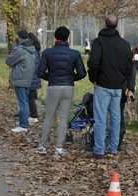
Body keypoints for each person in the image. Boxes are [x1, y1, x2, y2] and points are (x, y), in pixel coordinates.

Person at [86, 15, 132, 159]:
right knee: (115, 118)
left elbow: (93, 62)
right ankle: (113, 148)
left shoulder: (99, 42)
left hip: (103, 84)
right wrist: (121, 80)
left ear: (105, 24)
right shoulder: (124, 44)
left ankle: (99, 150)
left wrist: (93, 78)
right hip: (117, 86)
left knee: (100, 118)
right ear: (117, 25)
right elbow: (129, 66)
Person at [35, 26, 86, 155]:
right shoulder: (75, 53)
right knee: (63, 117)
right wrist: (70, 78)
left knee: (49, 117)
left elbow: (40, 72)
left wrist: (51, 77)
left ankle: (42, 146)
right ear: (68, 37)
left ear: (55, 37)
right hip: (68, 87)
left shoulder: (47, 53)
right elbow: (82, 73)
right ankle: (59, 147)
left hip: (53, 87)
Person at [6, 29, 36, 133]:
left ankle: (23, 125)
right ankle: (25, 123)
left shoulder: (20, 49)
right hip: (28, 78)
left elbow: (8, 60)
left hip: (20, 78)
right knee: (25, 101)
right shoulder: (32, 49)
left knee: (22, 102)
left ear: (20, 37)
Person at [27, 32, 42, 123]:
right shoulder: (37, 48)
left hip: (32, 76)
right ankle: (36, 111)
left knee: (30, 97)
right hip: (36, 75)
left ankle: (34, 115)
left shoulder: (32, 50)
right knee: (33, 95)